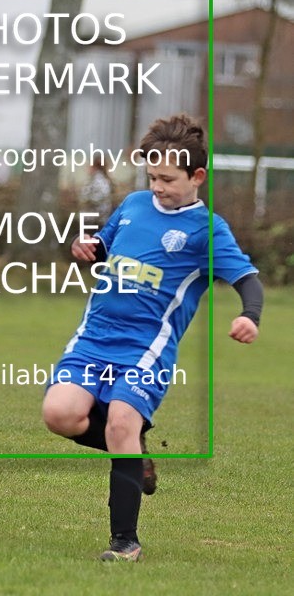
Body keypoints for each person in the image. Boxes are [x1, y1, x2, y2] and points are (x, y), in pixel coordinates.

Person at [42, 114, 262, 562]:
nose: (157, 186)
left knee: (122, 420)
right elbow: (105, 246)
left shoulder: (208, 230)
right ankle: (132, 451)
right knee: (59, 414)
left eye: (167, 179)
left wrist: (250, 315)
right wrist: (88, 249)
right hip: (94, 337)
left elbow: (247, 279)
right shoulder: (135, 204)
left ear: (197, 176)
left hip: (147, 348)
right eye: (152, 176)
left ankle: (125, 542)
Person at [80, 158, 114, 224]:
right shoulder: (97, 180)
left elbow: (98, 199)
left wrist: (85, 201)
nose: (87, 168)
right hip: (96, 219)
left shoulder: (98, 181)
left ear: (94, 167)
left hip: (95, 220)